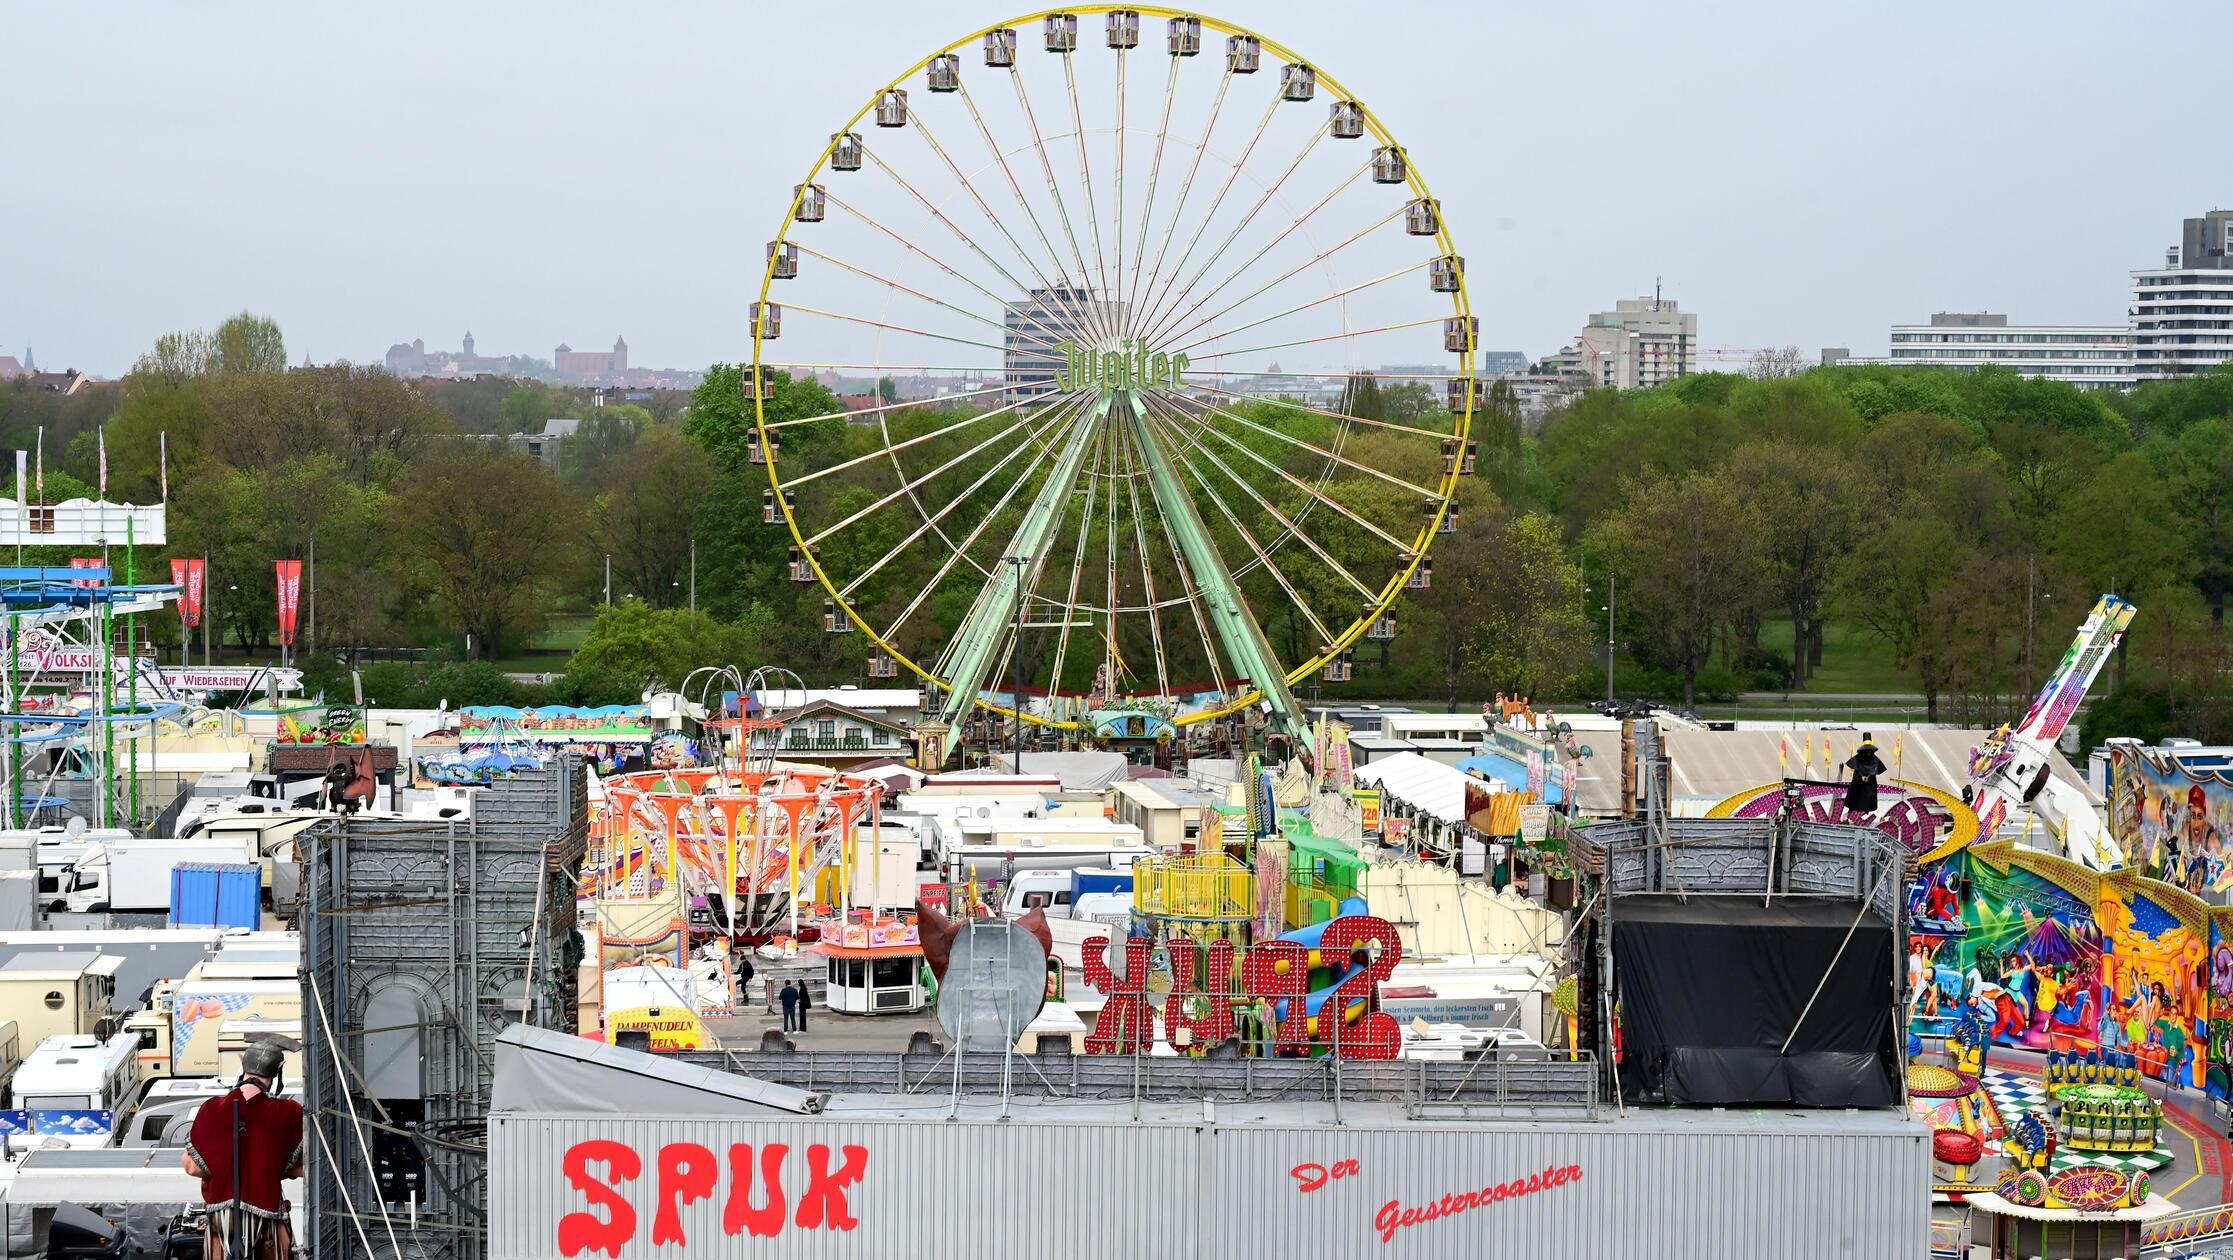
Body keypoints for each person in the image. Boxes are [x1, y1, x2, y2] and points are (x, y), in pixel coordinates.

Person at [182, 1042, 303, 1260]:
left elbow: (191, 1166)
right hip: (267, 1218)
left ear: (242, 1064)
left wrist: (223, 1167)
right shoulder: (289, 1113)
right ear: (278, 1070)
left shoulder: (211, 1109)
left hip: (221, 1217)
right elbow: (302, 1168)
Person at [1842, 733, 1888, 814]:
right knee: (1855, 795)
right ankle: (1852, 811)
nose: (1868, 752)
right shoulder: (1857, 758)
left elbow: (1875, 770)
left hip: (1869, 783)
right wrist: (1862, 777)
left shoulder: (1875, 759)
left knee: (1868, 798)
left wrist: (1868, 776)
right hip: (1858, 781)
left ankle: (1866, 811)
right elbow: (1856, 768)